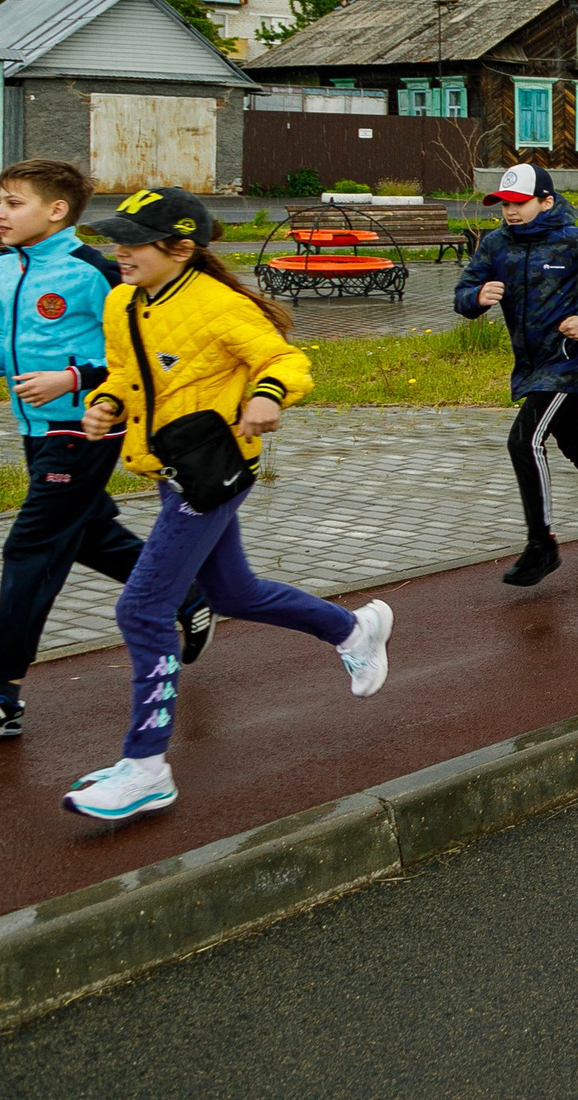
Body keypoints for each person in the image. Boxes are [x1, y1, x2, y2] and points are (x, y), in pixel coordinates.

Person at [64, 188, 390, 822]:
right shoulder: (122, 300)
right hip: (169, 467)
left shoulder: (218, 305)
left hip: (212, 472)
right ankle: (351, 629)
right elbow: (124, 373)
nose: (119, 250)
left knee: (143, 607)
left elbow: (285, 359)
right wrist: (107, 403)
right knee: (234, 593)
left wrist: (267, 395)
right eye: (117, 238)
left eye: (133, 240)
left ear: (180, 248)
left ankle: (146, 767)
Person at [0, 161, 212, 741]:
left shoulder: (92, 269)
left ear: (56, 210)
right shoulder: (4, 266)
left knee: (30, 548)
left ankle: (3, 691)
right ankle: (187, 595)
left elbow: (138, 348)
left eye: (12, 203)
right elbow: (4, 346)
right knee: (88, 535)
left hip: (89, 427)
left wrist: (71, 380)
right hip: (35, 428)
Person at [454, 163, 578, 588]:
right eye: (503, 204)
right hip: (529, 363)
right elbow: (462, 294)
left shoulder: (574, 240)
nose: (510, 212)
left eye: (519, 203)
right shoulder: (495, 245)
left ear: (545, 201)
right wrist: (477, 297)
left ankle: (542, 544)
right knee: (575, 442)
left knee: (524, 440)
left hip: (566, 359)